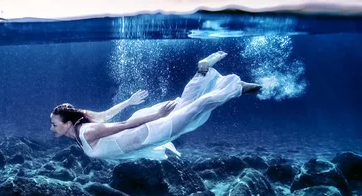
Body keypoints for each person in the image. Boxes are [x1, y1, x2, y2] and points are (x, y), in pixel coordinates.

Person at [50, 51, 261, 161]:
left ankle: (235, 87)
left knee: (196, 107)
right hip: (147, 131)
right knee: (188, 105)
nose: (52, 128)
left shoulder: (87, 132)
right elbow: (106, 115)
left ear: (68, 123)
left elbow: (124, 124)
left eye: (54, 124)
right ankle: (202, 70)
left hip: (152, 131)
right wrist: (129, 102)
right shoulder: (83, 129)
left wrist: (158, 115)